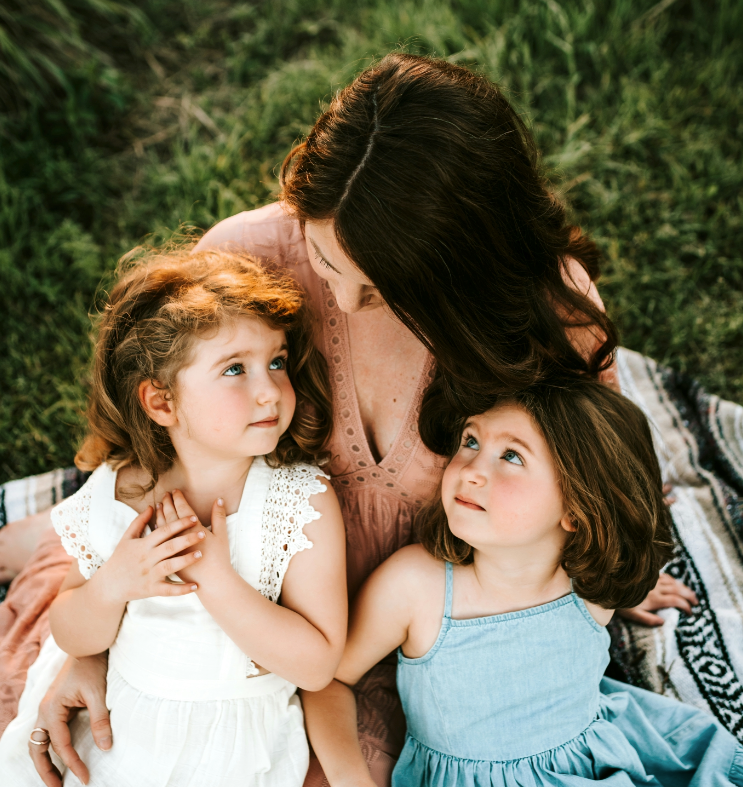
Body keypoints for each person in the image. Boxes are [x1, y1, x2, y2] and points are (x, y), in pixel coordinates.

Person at [0, 53, 695, 787]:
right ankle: (33, 539)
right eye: (329, 261)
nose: (348, 299)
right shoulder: (249, 264)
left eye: (387, 283)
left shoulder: (543, 309)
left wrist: (591, 559)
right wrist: (93, 646)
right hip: (226, 605)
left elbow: (593, 455)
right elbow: (156, 451)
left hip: (394, 639)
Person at [0, 246, 348, 786]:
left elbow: (318, 663)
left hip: (236, 749)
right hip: (123, 732)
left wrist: (216, 579)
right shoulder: (124, 491)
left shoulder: (296, 501)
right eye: (236, 369)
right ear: (162, 403)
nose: (269, 390)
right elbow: (69, 627)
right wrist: (112, 585)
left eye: (276, 362)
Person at [302, 379, 743, 786]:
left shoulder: (590, 591)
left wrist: (637, 589)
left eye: (511, 456)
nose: (471, 469)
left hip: (585, 771)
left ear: (577, 508)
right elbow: (329, 681)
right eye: (471, 441)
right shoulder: (416, 587)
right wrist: (349, 777)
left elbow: (624, 556)